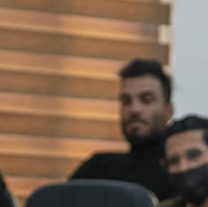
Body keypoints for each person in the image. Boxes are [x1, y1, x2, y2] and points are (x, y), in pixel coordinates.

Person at [70, 59, 175, 199]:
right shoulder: (97, 170)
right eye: (126, 101)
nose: (134, 109)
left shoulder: (180, 173)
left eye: (146, 100)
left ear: (169, 110)